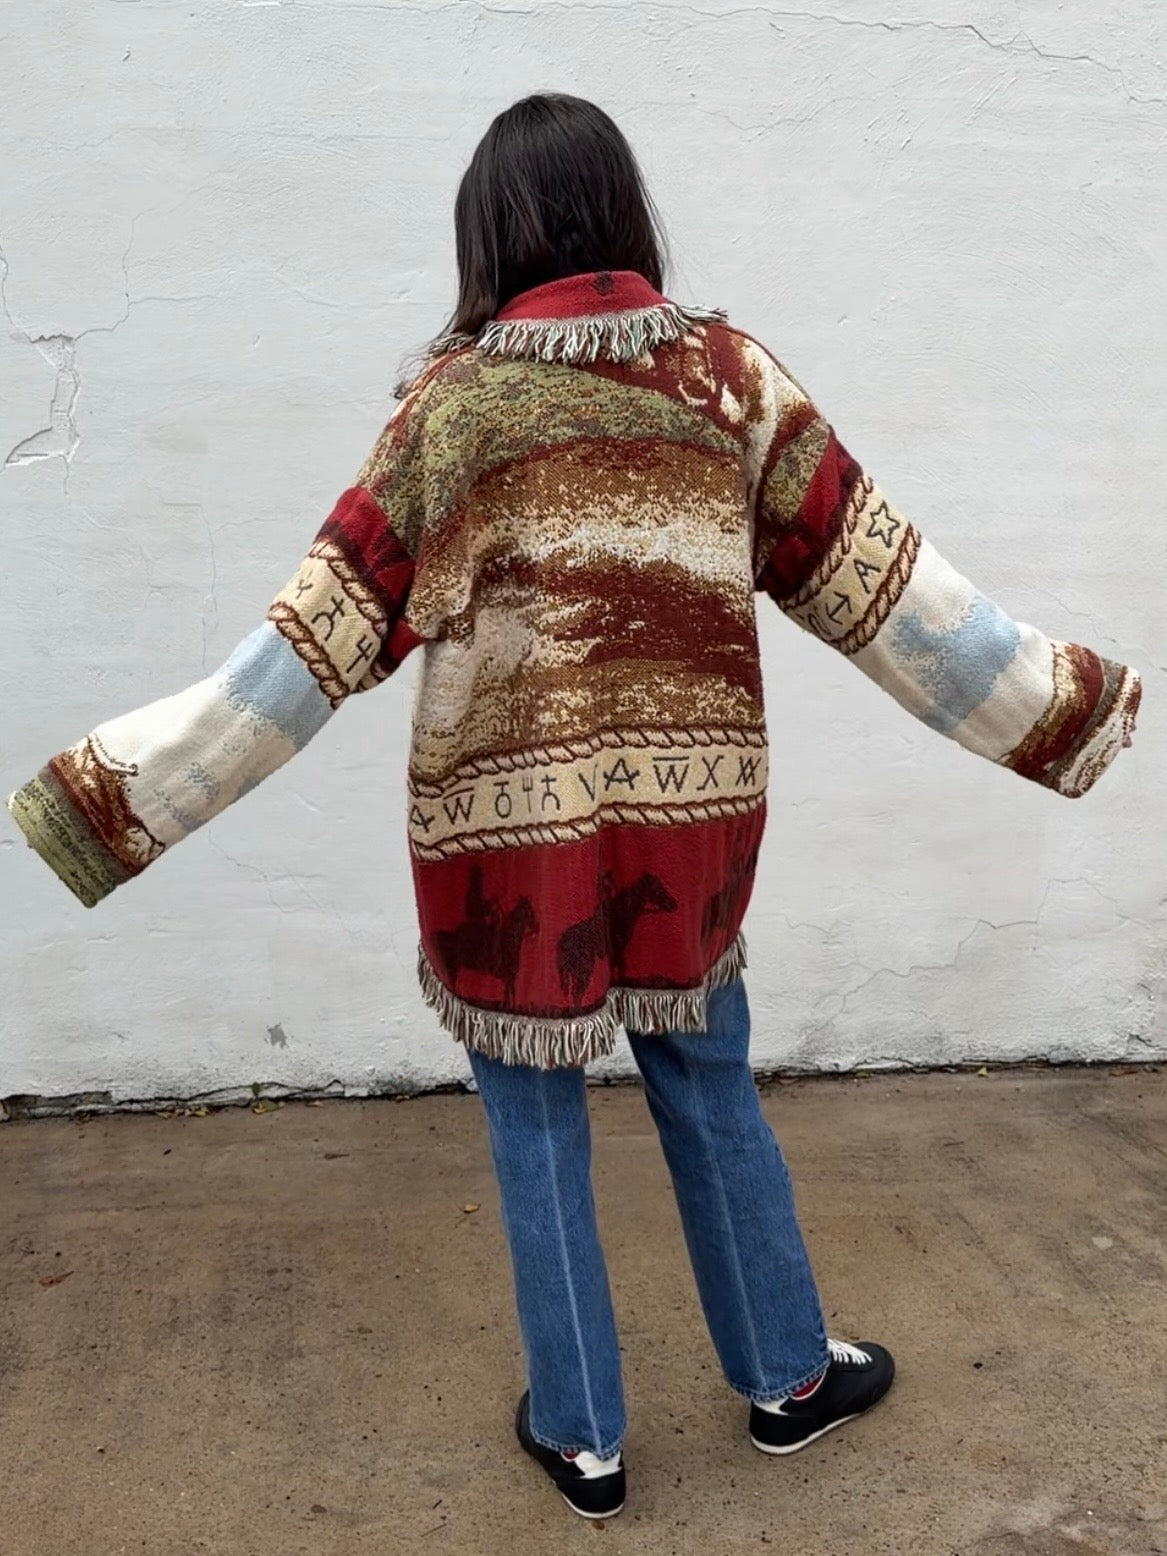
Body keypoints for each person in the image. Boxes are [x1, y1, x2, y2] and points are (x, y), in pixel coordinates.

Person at [7, 94, 1140, 1521]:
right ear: (622, 212)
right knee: (709, 1081)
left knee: (534, 1122)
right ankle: (788, 1377)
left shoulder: (454, 410)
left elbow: (310, 644)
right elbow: (887, 587)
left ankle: (584, 1435)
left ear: (489, 235)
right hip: (691, 824)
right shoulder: (731, 382)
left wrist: (120, 794)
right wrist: (1058, 702)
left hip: (507, 842)